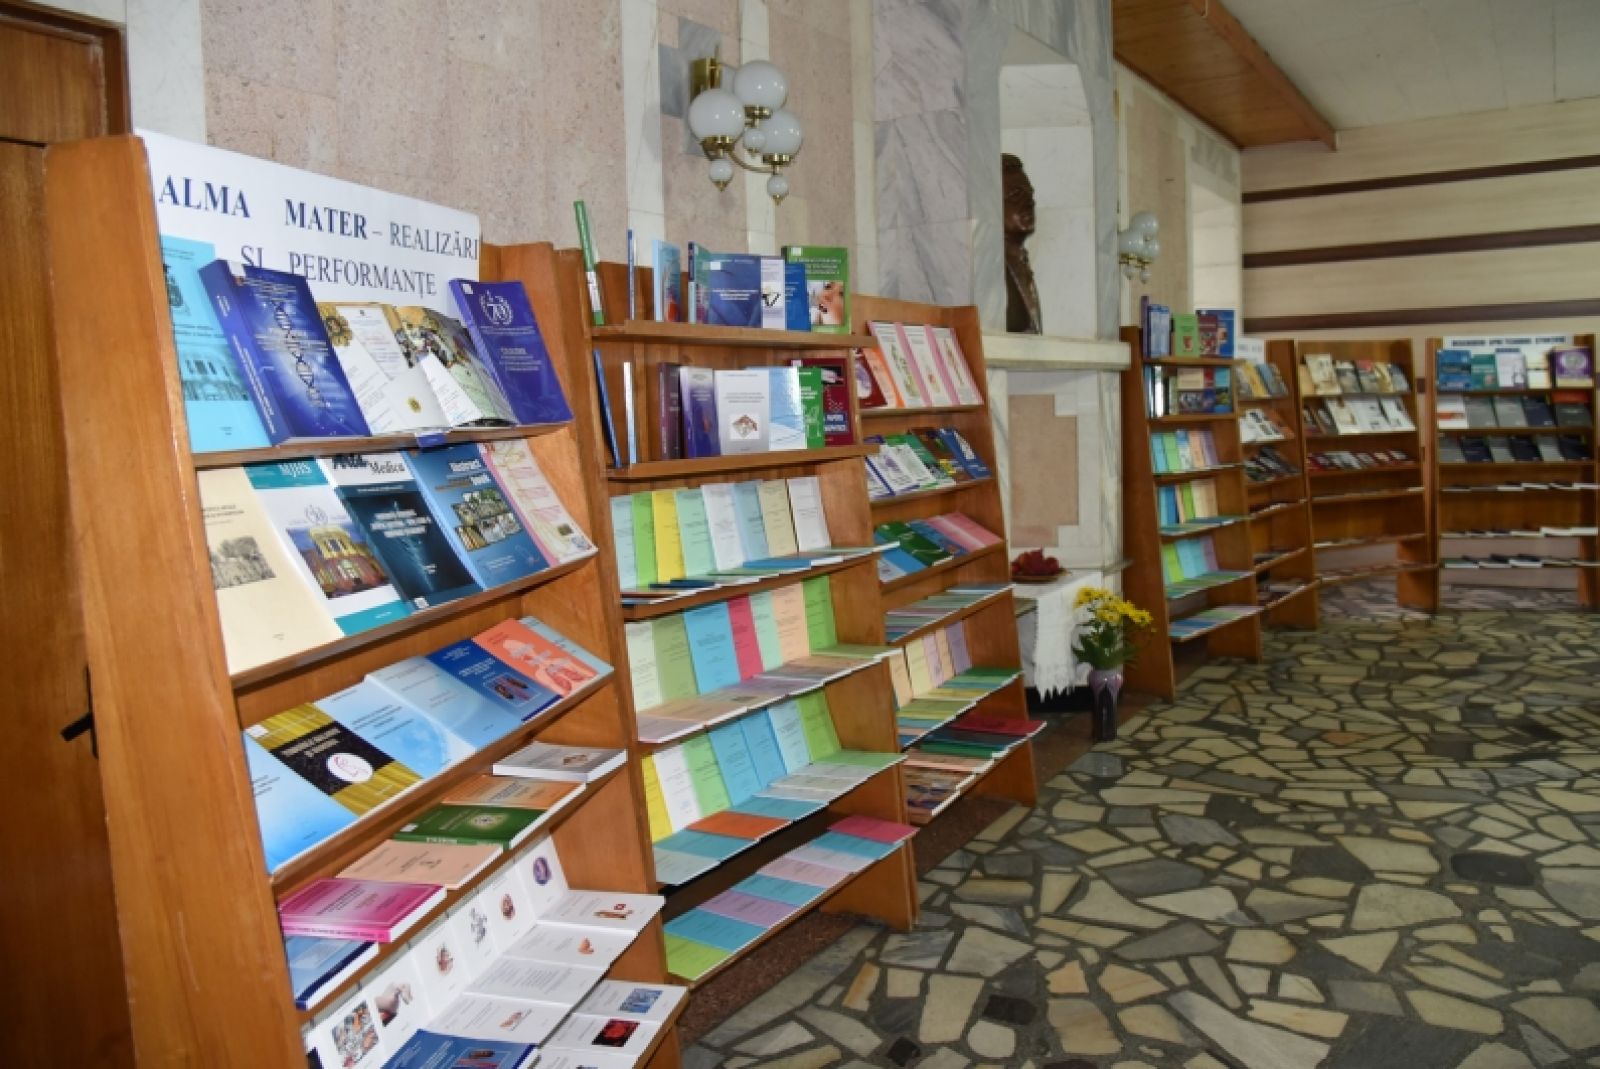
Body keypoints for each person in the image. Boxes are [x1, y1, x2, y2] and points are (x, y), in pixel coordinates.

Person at [1002, 153, 1042, 334]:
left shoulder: (1021, 261)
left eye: (1029, 194)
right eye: (1016, 195)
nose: (1029, 202)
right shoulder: (990, 269)